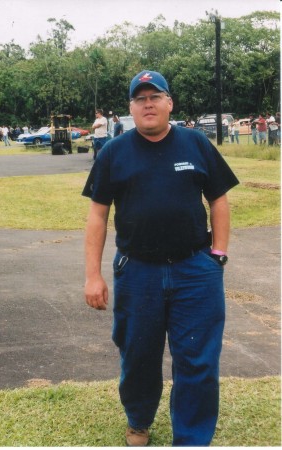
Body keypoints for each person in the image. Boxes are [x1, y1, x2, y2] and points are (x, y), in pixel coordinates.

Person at [82, 70, 239, 447]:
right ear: (130, 109)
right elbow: (98, 215)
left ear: (170, 103)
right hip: (137, 272)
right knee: (138, 355)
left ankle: (191, 438)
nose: (148, 104)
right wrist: (93, 275)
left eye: (155, 97)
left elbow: (218, 198)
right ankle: (138, 422)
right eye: (140, 99)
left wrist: (217, 253)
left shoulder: (196, 144)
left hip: (195, 270)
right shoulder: (113, 152)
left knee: (198, 361)